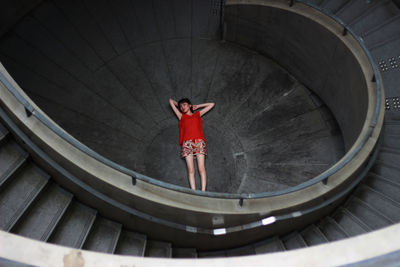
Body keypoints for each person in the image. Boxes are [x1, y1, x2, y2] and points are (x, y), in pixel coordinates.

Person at [169, 98, 215, 191]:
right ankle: (193, 192)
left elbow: (212, 104)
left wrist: (198, 106)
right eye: (181, 106)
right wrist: (180, 105)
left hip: (199, 142)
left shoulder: (197, 114)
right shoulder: (181, 116)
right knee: (191, 170)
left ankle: (203, 191)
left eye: (184, 105)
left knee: (201, 168)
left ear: (190, 105)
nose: (182, 107)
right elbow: (170, 101)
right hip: (187, 143)